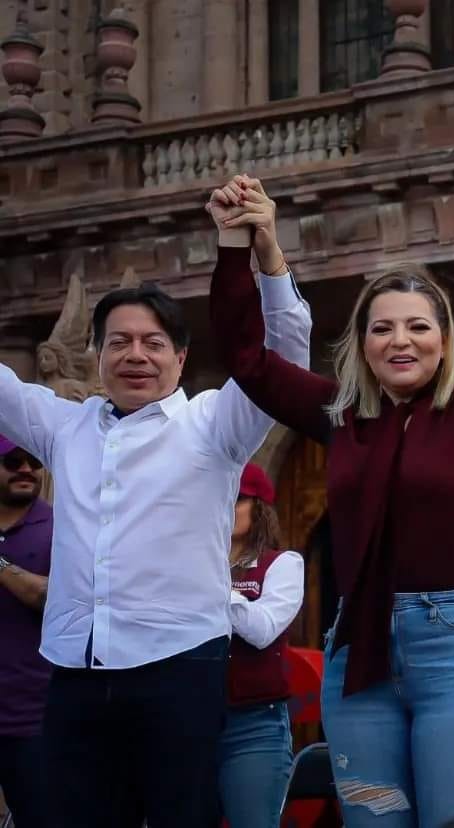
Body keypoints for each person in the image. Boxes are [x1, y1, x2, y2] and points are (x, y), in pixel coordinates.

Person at [208, 176, 454, 826]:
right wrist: (236, 248)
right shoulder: (339, 415)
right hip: (361, 653)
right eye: (382, 328)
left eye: (417, 326)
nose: (400, 340)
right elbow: (248, 361)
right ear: (363, 344)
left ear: (443, 340)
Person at [0, 173, 311, 828]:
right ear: (96, 353)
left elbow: (285, 356)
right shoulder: (65, 426)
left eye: (152, 343)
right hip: (76, 672)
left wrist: (268, 256)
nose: (135, 355)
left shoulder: (214, 424)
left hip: (178, 671)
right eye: (119, 341)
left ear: (180, 355)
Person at [219, 462, 305, 828]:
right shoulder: (188, 563)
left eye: (236, 498)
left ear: (260, 508)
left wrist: (211, 581)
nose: (223, 505)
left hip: (253, 724)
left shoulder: (282, 564)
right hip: (187, 718)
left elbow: (263, 629)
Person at [0, 436, 51, 828]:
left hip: (33, 718)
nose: (25, 469)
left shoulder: (61, 525)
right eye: (12, 460)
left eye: (33, 460)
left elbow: (56, 597)